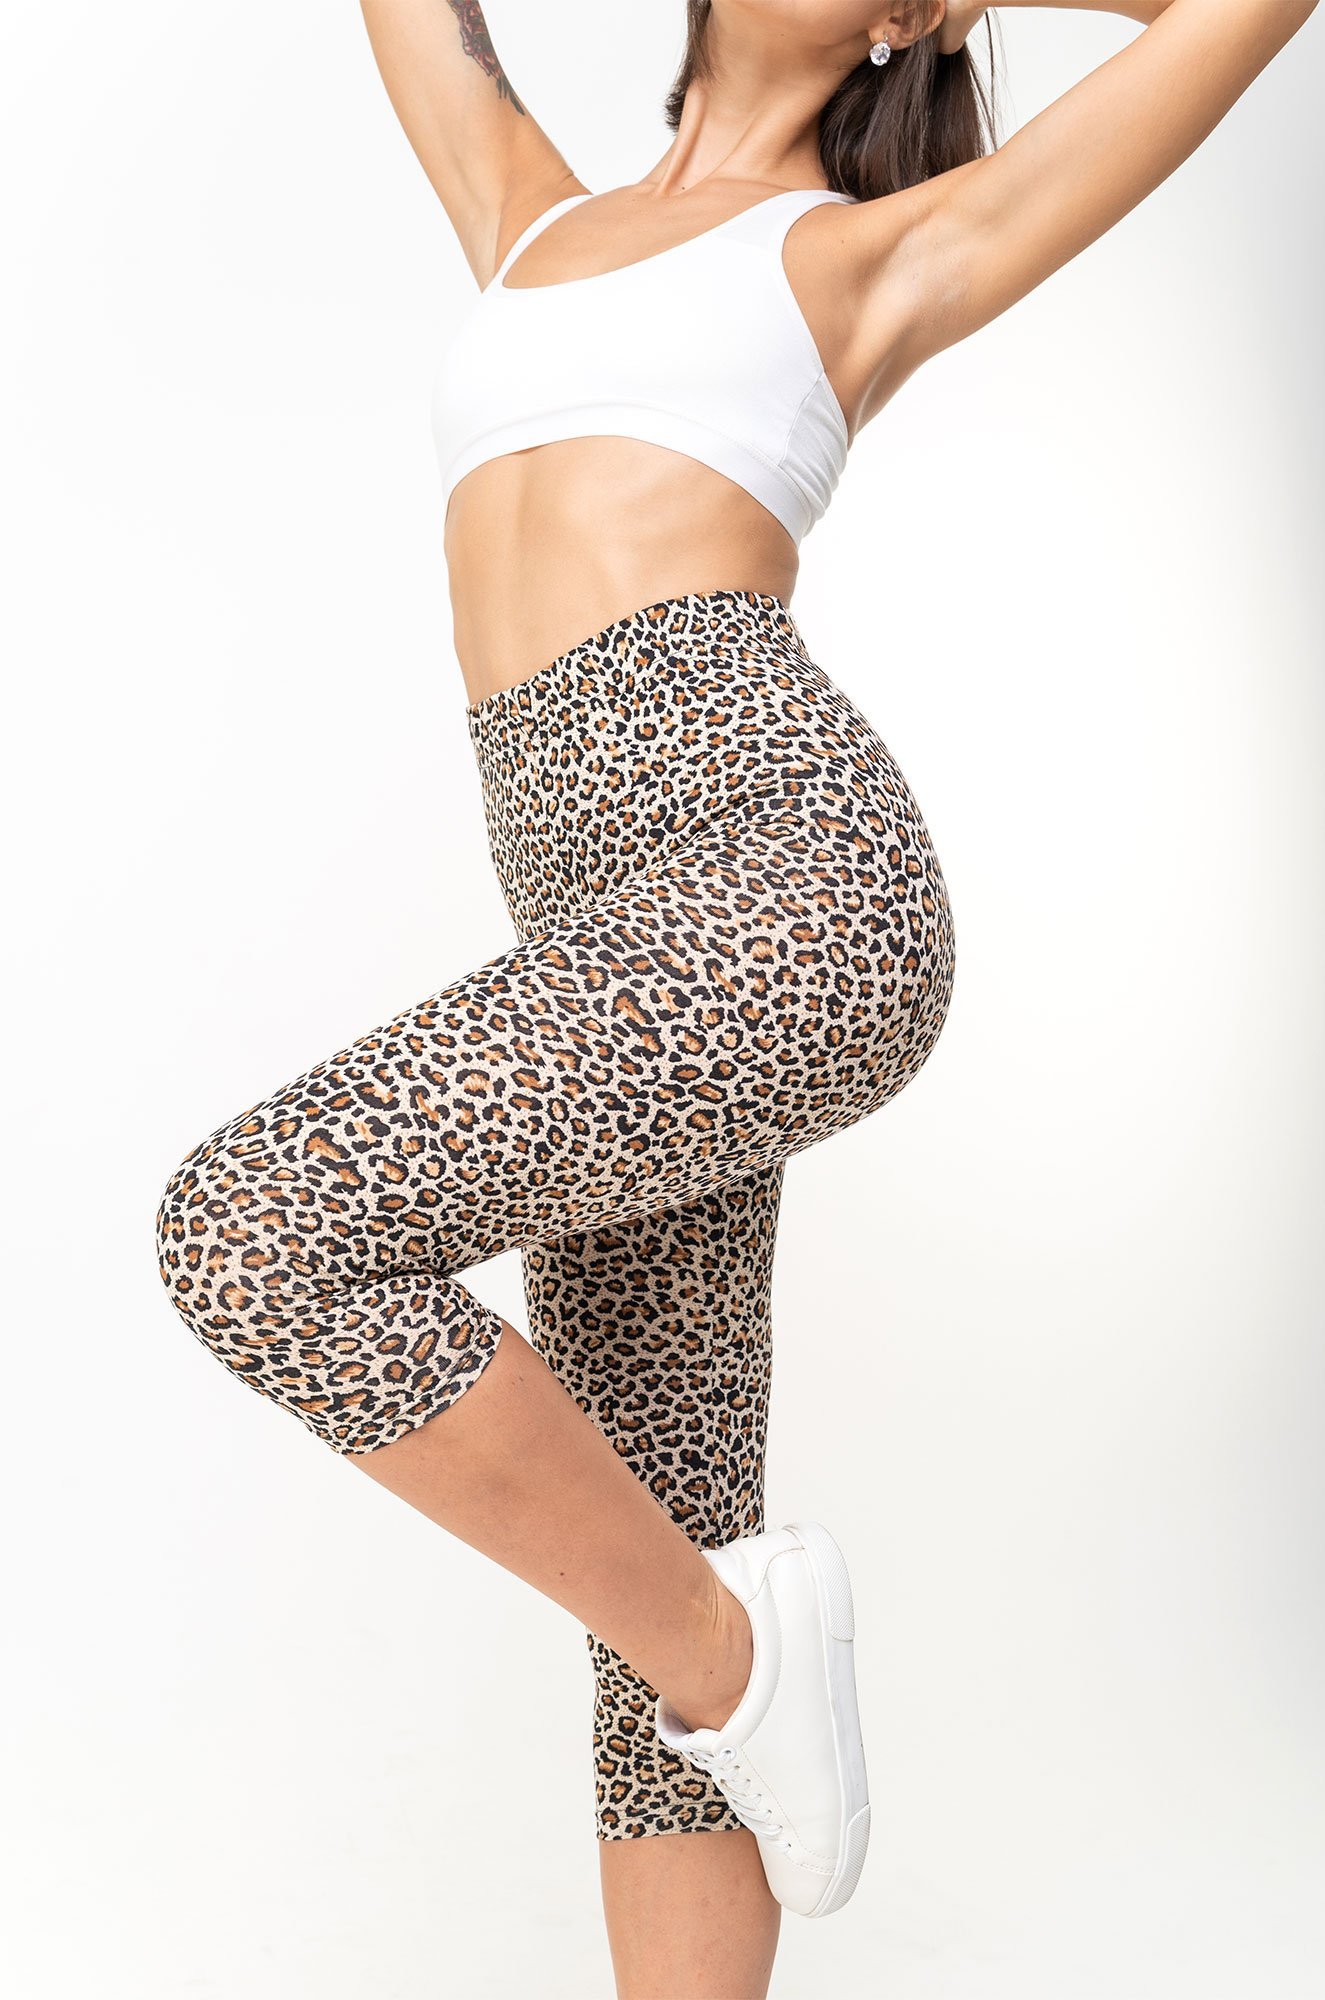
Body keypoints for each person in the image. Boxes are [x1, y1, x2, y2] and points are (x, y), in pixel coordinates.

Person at [153, 2, 1317, 1993]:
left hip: (785, 886)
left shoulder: (878, 256)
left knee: (257, 1228)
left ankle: (731, 1649)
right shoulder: (525, 210)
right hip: (596, 935)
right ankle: (709, 1648)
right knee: (658, 1530)